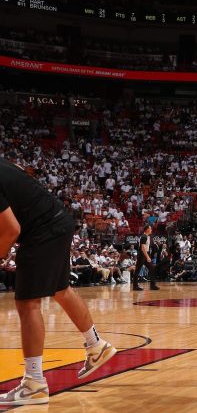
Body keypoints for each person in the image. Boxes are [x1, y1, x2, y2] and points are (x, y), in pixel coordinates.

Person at [0, 159, 116, 406]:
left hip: (41, 230)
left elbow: (11, 229)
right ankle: (97, 346)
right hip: (58, 220)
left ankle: (34, 384)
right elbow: (20, 174)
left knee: (27, 303)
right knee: (61, 290)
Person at [133, 224, 159, 291]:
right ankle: (135, 286)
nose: (151, 230)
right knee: (137, 271)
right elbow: (143, 248)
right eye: (150, 228)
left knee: (152, 268)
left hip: (146, 254)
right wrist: (147, 257)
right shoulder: (144, 236)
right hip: (142, 255)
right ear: (147, 229)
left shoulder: (148, 237)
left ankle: (152, 286)